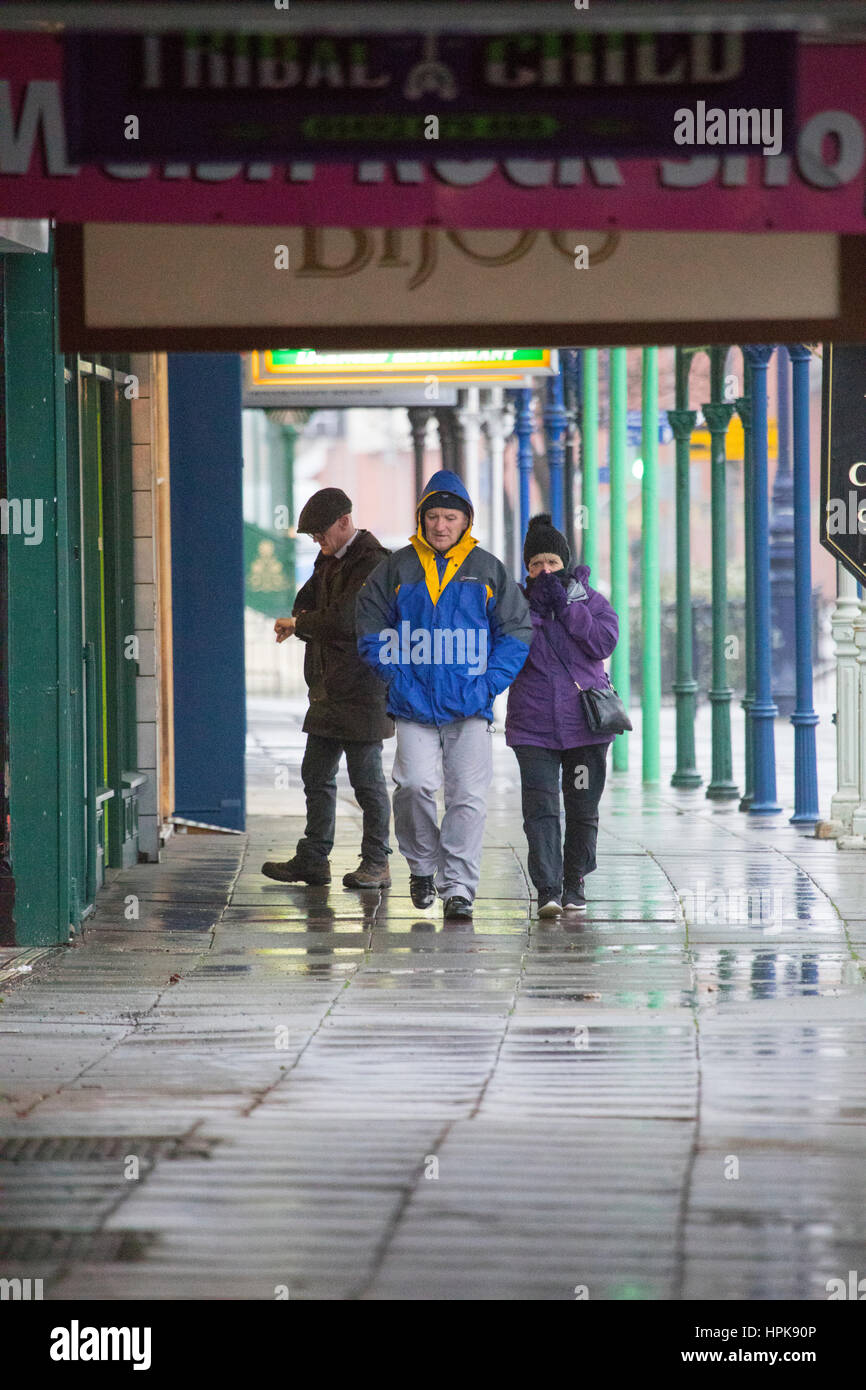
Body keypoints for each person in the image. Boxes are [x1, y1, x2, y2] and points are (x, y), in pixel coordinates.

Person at [356, 469, 532, 920]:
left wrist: (489, 684)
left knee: (468, 797)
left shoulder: (487, 568)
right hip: (412, 703)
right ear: (421, 518)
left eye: (449, 516)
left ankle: (458, 887)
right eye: (432, 516)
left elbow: (515, 631)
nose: (440, 525)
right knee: (414, 786)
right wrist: (395, 676)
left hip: (471, 705)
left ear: (465, 520)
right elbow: (370, 624)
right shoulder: (396, 566)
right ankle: (422, 866)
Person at [261, 487, 394, 890]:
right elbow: (305, 607)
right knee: (315, 773)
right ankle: (313, 859)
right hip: (327, 688)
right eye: (313, 537)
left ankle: (377, 862)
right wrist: (311, 622)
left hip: (364, 690)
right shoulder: (329, 561)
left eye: (320, 534)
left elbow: (349, 620)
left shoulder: (373, 563)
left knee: (366, 779)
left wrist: (306, 625)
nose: (317, 542)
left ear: (344, 522)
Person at [505, 513, 619, 917]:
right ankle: (548, 888)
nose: (544, 571)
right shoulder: (516, 605)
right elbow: (507, 652)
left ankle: (575, 881)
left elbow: (602, 643)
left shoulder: (591, 601)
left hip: (585, 728)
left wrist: (567, 608)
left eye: (551, 563)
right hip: (532, 727)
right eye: (536, 565)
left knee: (582, 809)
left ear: (564, 564)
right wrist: (535, 613)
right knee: (540, 808)